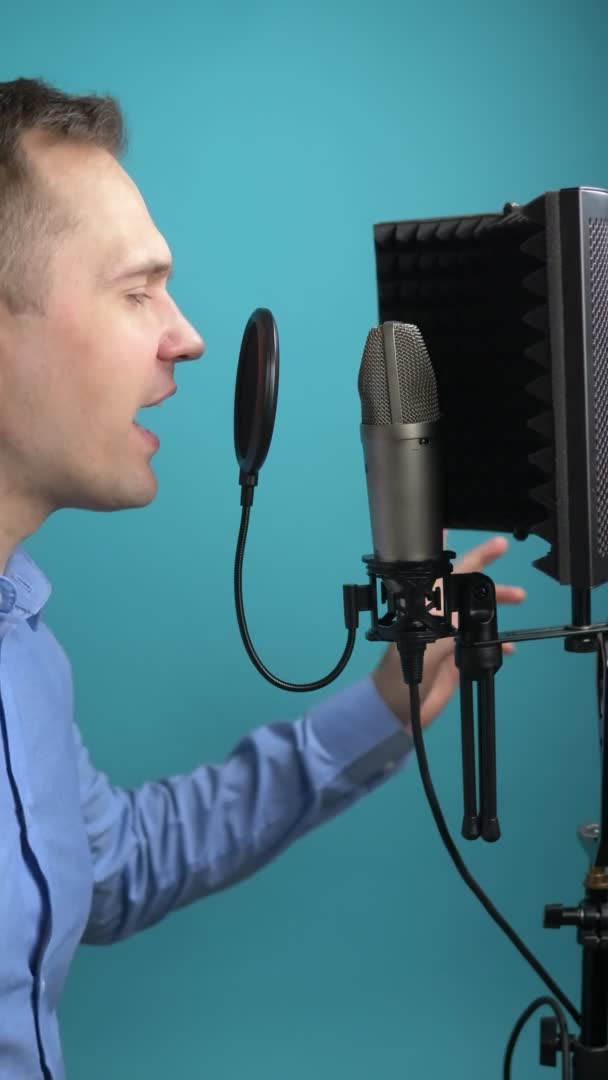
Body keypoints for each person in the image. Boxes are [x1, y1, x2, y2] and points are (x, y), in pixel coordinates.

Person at [0, 78, 525, 1079]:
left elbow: (110, 870)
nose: (188, 336)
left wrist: (382, 710)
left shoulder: (24, 645)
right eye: (136, 289)